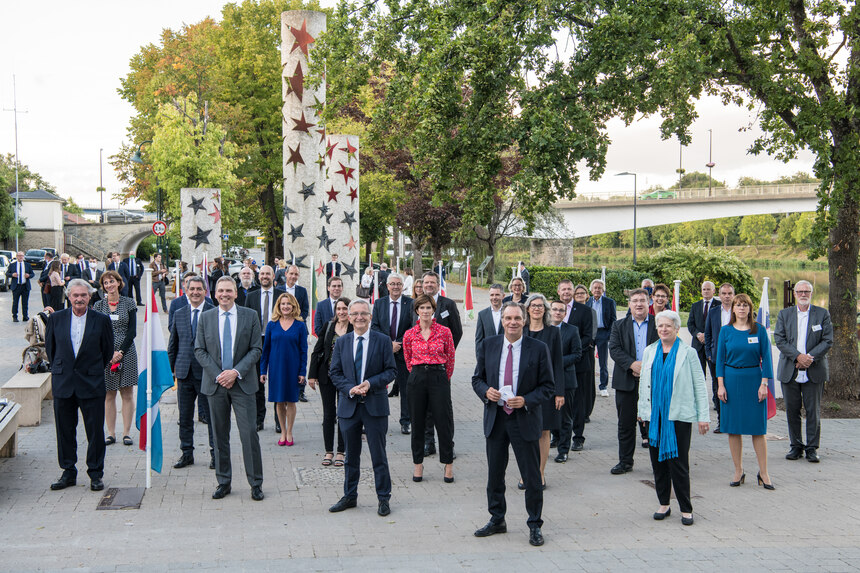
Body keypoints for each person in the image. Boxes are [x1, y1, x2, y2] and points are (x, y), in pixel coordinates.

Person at [472, 302, 555, 547]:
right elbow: (477, 378)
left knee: (531, 477)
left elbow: (548, 386)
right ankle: (497, 519)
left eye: (517, 318)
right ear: (503, 321)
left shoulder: (538, 348)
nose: (512, 322)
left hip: (524, 419)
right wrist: (486, 391)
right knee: (495, 475)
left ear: (524, 320)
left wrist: (526, 400)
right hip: (496, 419)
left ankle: (534, 524)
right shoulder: (489, 345)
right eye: (508, 318)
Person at [194, 276, 264, 501]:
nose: (224, 294)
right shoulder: (205, 318)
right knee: (219, 435)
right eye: (220, 291)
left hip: (242, 384)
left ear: (236, 293)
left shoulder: (250, 316)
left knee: (249, 434)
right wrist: (219, 374)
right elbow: (199, 350)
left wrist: (235, 372)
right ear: (214, 294)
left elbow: (256, 349)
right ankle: (223, 481)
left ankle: (255, 483)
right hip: (216, 385)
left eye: (228, 291)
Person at [638, 310, 710, 526]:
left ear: (677, 329)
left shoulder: (688, 353)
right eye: (660, 326)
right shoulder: (650, 351)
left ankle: (686, 508)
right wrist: (642, 411)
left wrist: (703, 417)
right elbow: (644, 382)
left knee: (678, 463)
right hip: (654, 415)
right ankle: (663, 503)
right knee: (657, 463)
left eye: (668, 326)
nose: (663, 329)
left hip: (678, 415)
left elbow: (699, 385)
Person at [328, 299, 397, 517]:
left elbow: (391, 371)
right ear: (348, 317)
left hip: (375, 406)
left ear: (370, 317)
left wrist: (370, 383)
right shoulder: (342, 342)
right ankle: (350, 496)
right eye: (355, 314)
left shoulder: (383, 340)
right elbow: (335, 373)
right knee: (350, 457)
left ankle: (383, 498)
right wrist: (351, 389)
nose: (359, 317)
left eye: (363, 314)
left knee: (379, 455)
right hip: (349, 406)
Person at [45, 279, 114, 491]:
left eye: (83, 295)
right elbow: (51, 350)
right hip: (64, 382)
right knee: (64, 430)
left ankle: (95, 473)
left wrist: (91, 369)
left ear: (90, 296)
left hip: (91, 382)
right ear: (68, 296)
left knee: (95, 431)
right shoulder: (56, 319)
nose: (79, 299)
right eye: (75, 295)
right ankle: (68, 471)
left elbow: (107, 350)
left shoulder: (101, 320)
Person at [716, 293, 775, 489]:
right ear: (732, 308)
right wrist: (721, 385)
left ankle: (764, 472)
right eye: (738, 305)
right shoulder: (725, 331)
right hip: (731, 381)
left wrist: (764, 383)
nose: (741, 308)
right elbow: (719, 361)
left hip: (754, 381)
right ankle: (738, 470)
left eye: (745, 305)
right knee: (733, 429)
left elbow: (766, 357)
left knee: (758, 429)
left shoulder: (758, 330)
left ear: (750, 309)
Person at [773, 281, 833, 463]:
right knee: (792, 410)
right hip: (790, 370)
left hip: (814, 370)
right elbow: (779, 339)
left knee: (812, 411)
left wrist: (809, 358)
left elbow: (827, 340)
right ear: (795, 294)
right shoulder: (785, 314)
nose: (803, 294)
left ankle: (812, 448)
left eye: (806, 291)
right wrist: (798, 357)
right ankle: (796, 446)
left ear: (811, 293)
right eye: (800, 291)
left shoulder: (822, 314)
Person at [402, 294, 456, 483]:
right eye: (421, 308)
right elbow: (408, 359)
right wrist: (418, 374)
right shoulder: (409, 334)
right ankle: (418, 464)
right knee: (417, 422)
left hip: (438, 377)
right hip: (417, 378)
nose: (425, 311)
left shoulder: (444, 332)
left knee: (444, 421)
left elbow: (450, 358)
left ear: (434, 310)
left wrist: (442, 378)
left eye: (428, 308)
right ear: (416, 310)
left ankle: (448, 464)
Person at [167, 276, 216, 470]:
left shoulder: (213, 312)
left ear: (205, 291)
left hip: (207, 374)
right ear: (186, 291)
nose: (195, 292)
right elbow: (174, 345)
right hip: (184, 373)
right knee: (185, 417)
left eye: (199, 289)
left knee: (212, 418)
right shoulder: (179, 313)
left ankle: (215, 454)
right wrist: (171, 371)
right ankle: (186, 453)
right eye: (192, 289)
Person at [608, 288, 658, 474]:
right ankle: (625, 461)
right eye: (635, 300)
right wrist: (632, 365)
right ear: (629, 304)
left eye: (642, 300)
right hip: (626, 381)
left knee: (654, 422)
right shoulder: (618, 325)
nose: (638, 304)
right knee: (626, 424)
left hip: (653, 381)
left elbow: (664, 348)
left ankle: (658, 462)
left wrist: (645, 367)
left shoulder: (658, 324)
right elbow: (614, 349)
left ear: (649, 303)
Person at [418, 271, 462, 457]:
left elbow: (457, 332)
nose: (429, 285)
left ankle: (447, 445)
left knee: (443, 409)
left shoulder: (448, 305)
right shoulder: (418, 303)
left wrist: (446, 354)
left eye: (432, 282)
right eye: (426, 282)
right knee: (426, 407)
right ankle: (429, 442)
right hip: (422, 367)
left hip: (441, 367)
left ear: (438, 284)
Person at [522, 293, 564, 489]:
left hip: (546, 389)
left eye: (540, 306)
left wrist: (559, 392)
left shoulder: (553, 332)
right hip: (523, 389)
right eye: (533, 305)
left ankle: (539, 473)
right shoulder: (520, 330)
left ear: (545, 310)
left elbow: (557, 363)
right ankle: (525, 473)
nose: (537, 308)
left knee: (543, 431)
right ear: (527, 309)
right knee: (524, 433)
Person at [94, 270, 138, 446]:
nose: (109, 285)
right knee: (108, 393)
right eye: (105, 283)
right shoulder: (98, 306)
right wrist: (110, 352)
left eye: (112, 282)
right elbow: (96, 331)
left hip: (126, 353)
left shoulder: (129, 303)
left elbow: (132, 331)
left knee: (126, 392)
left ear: (119, 283)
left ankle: (126, 432)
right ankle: (111, 433)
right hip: (105, 353)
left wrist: (120, 352)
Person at [308, 297, 352, 467]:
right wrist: (312, 375)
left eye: (345, 309)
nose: (341, 312)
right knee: (328, 414)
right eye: (339, 309)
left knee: (343, 414)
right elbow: (316, 351)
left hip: (347, 379)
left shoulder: (354, 328)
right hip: (326, 377)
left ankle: (341, 451)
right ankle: (328, 451)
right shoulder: (328, 327)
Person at [260, 292, 308, 446]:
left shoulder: (300, 325)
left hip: (293, 368)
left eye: (288, 304)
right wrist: (262, 371)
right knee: (279, 401)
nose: (286, 306)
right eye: (283, 304)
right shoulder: (271, 324)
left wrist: (302, 372)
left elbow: (303, 350)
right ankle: (282, 431)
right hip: (276, 368)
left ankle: (290, 432)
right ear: (278, 306)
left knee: (291, 401)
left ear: (293, 306)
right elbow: (265, 349)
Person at [370, 273, 414, 434]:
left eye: (399, 284)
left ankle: (406, 421)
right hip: (383, 352)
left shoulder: (411, 303)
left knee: (406, 388)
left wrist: (399, 343)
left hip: (403, 352)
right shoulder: (379, 303)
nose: (396, 287)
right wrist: (389, 343)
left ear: (403, 286)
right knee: (377, 386)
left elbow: (412, 327)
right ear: (387, 286)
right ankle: (376, 419)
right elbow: (374, 326)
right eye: (393, 284)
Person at [245, 265, 286, 429]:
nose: (264, 276)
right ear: (258, 276)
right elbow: (247, 320)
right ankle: (258, 419)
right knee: (257, 382)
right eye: (261, 274)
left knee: (277, 381)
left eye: (267, 274)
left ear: (273, 275)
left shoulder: (281, 295)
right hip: (256, 342)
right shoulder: (252, 296)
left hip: (276, 341)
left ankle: (279, 421)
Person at [558, 280, 594, 450]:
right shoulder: (554, 309)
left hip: (578, 363)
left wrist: (572, 350)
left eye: (569, 289)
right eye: (563, 289)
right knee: (558, 401)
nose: (566, 292)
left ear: (573, 291)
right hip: (557, 366)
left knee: (578, 403)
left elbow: (588, 336)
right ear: (558, 292)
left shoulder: (585, 311)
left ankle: (578, 437)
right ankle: (557, 435)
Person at [549, 300, 582, 463]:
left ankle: (563, 450)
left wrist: (556, 361)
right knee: (550, 413)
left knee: (565, 417)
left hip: (567, 380)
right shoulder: (545, 330)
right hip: (547, 380)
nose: (557, 312)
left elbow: (577, 354)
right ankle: (555, 438)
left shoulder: (572, 330)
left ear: (565, 313)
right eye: (554, 309)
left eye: (561, 310)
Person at [705, 283, 735, 433]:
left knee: (734, 389)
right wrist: (709, 354)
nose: (727, 296)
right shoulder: (714, 312)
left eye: (730, 293)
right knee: (718, 388)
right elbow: (708, 334)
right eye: (724, 293)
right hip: (717, 357)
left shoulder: (739, 310)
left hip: (736, 358)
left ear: (733, 295)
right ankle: (721, 422)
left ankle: (734, 421)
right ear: (720, 295)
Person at [687, 281, 717, 402]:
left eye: (708, 289)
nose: (706, 291)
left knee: (715, 375)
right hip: (698, 345)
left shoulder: (719, 306)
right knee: (698, 375)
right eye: (704, 289)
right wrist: (698, 334)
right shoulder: (695, 306)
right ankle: (699, 400)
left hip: (713, 346)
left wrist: (708, 336)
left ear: (714, 291)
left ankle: (716, 401)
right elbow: (690, 324)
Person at [587, 279, 617, 398]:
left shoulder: (609, 302)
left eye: (599, 288)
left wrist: (609, 334)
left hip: (603, 333)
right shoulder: (588, 301)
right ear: (591, 290)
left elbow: (613, 320)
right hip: (590, 333)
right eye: (595, 288)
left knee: (603, 361)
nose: (597, 290)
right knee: (589, 360)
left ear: (603, 289)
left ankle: (603, 386)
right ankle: (589, 386)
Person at [475, 284, 504, 350]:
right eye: (492, 295)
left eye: (497, 295)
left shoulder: (509, 313)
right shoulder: (482, 315)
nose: (494, 297)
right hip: (489, 355)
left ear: (503, 296)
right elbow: (479, 340)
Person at [7, 251, 33, 322]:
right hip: (16, 286)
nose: (20, 257)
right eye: (19, 255)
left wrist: (29, 276)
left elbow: (32, 274)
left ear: (23, 256)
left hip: (25, 286)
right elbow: (7, 273)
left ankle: (25, 316)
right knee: (15, 302)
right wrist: (12, 275)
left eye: (22, 255)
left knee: (25, 302)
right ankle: (15, 316)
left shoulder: (27, 265)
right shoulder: (12, 265)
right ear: (16, 256)